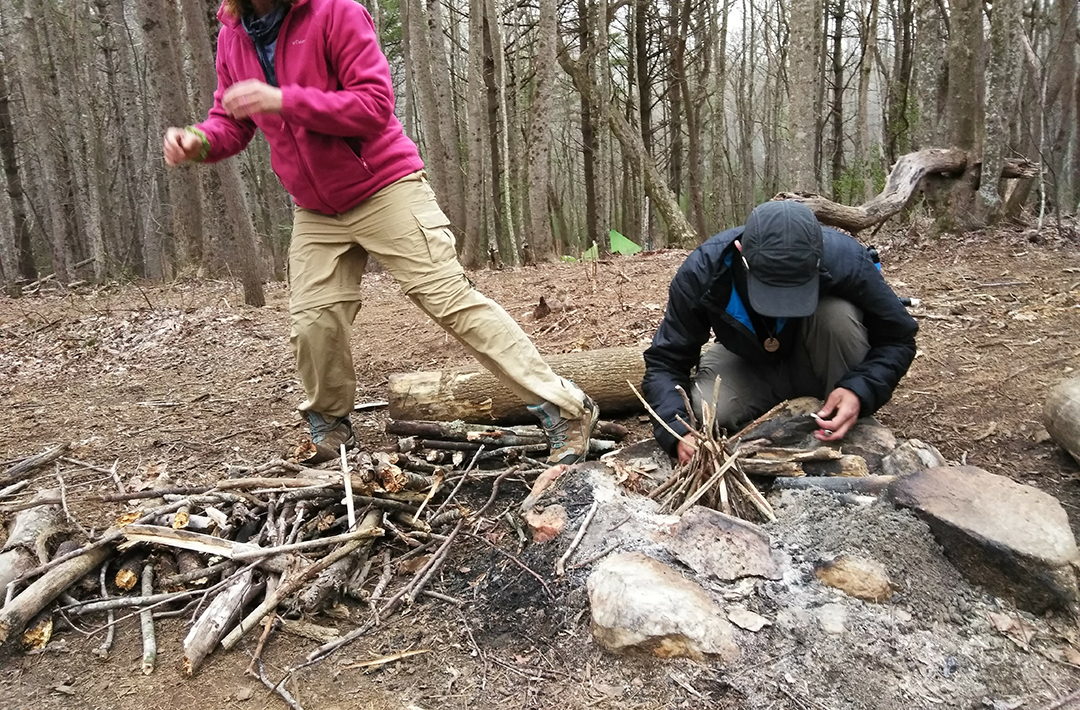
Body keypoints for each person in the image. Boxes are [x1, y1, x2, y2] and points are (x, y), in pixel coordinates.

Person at [162, 0, 598, 465]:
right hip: (315, 208)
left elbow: (373, 104)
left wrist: (285, 99)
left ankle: (565, 408)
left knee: (451, 301)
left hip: (384, 184)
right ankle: (329, 428)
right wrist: (201, 140)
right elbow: (232, 119)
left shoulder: (335, 12)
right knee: (314, 320)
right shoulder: (233, 34)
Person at [641, 200, 917, 464]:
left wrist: (861, 389)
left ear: (819, 256)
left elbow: (898, 338)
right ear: (741, 251)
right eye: (770, 288)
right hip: (750, 361)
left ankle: (849, 419)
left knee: (837, 315)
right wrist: (677, 432)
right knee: (707, 412)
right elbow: (665, 362)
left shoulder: (846, 260)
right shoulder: (704, 271)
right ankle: (788, 412)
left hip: (821, 354)